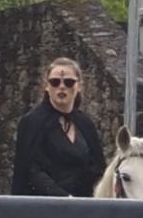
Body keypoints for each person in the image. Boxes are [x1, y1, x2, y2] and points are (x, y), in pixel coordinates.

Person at [11, 56, 105, 197]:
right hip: (43, 208)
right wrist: (63, 198)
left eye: (68, 82)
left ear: (78, 86)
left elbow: (97, 167)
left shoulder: (86, 124)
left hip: (82, 207)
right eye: (55, 82)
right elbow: (30, 170)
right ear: (47, 87)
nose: (61, 87)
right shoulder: (32, 122)